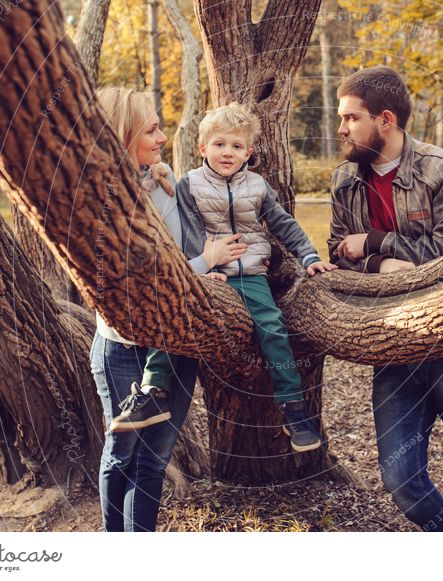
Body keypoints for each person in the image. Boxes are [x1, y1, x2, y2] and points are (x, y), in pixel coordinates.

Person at [328, 66, 443, 531]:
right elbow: (338, 257)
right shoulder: (344, 179)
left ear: (385, 119)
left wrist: (378, 243)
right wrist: (386, 266)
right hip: (393, 340)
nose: (341, 128)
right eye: (341, 118)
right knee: (400, 476)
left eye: (350, 118)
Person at [129, 102, 337, 453]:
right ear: (203, 147)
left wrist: (310, 257)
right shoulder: (190, 184)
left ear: (248, 153)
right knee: (175, 310)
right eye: (220, 144)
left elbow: (283, 224)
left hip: (251, 274)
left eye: (237, 146)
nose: (228, 152)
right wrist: (204, 269)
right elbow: (191, 231)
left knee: (272, 328)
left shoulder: (256, 186)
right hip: (208, 273)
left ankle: (294, 409)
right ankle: (153, 388)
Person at [89, 87, 246, 531]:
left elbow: (176, 255)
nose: (162, 137)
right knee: (122, 454)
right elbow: (139, 278)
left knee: (154, 459)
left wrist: (202, 273)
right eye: (151, 129)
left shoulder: (160, 181)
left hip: (176, 341)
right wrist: (206, 262)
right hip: (123, 347)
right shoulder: (102, 202)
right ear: (123, 136)